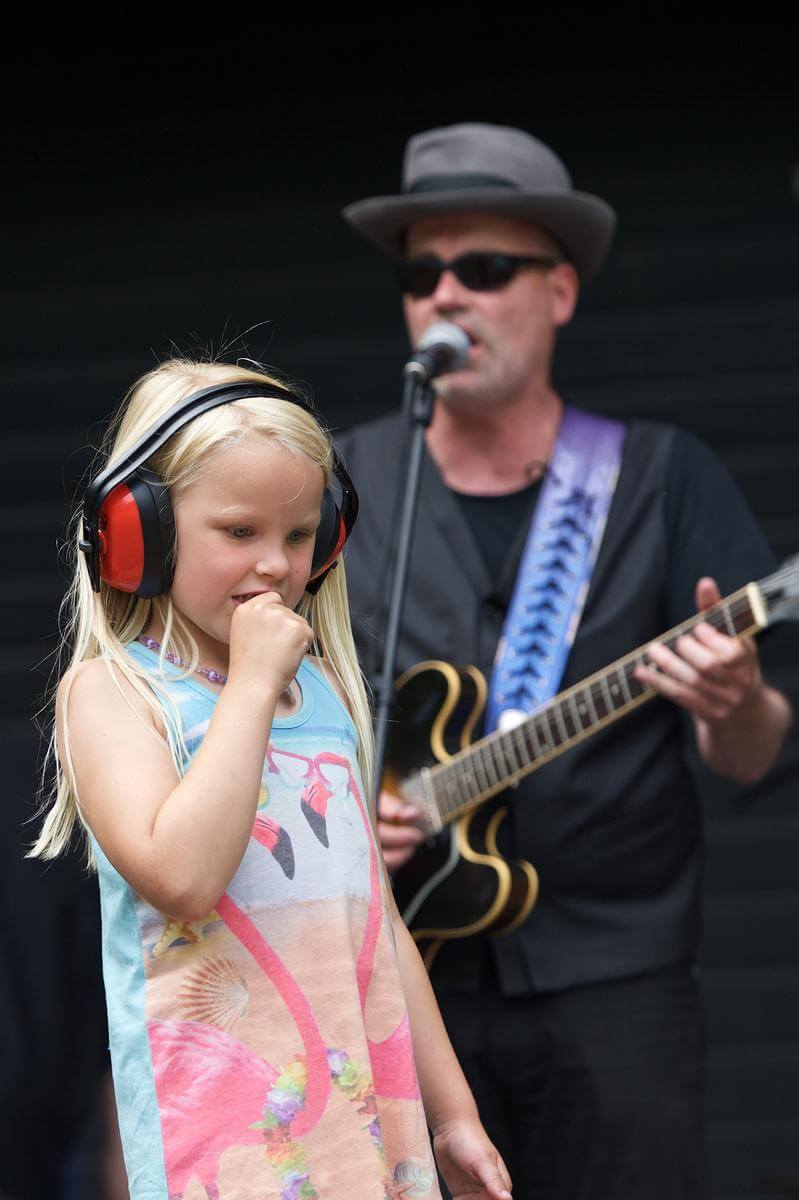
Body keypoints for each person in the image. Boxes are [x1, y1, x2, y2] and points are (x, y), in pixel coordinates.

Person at [337, 123, 794, 1198]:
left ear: (560, 291)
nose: (446, 296)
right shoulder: (339, 486)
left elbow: (752, 753)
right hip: (403, 986)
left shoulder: (660, 477)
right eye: (420, 275)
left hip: (615, 988)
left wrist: (731, 702)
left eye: (484, 268)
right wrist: (348, 805)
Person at [30, 358, 513, 1200]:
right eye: (239, 532)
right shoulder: (112, 694)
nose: (277, 566)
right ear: (144, 532)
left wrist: (452, 1117)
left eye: (297, 536)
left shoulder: (321, 690)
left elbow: (379, 924)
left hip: (370, 1127)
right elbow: (183, 878)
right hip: (230, 1147)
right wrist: (251, 686)